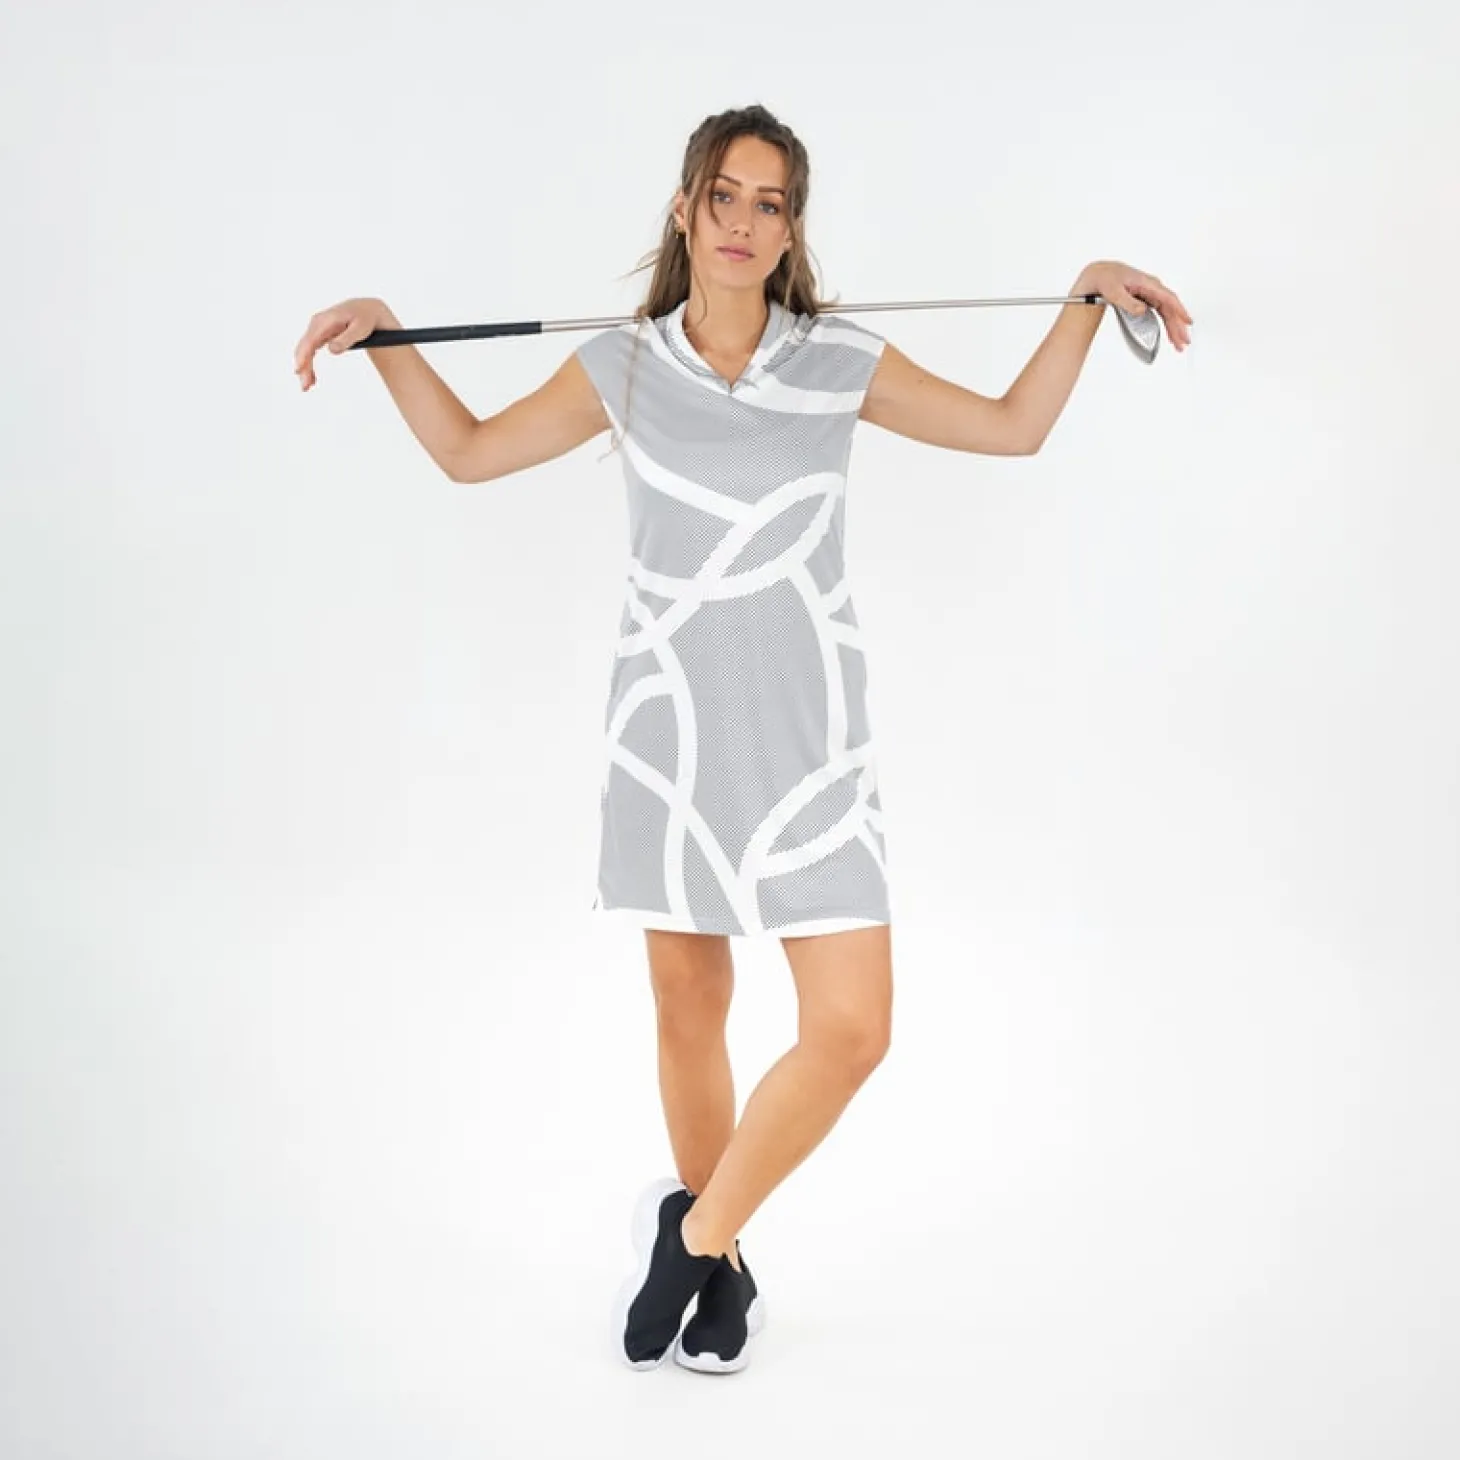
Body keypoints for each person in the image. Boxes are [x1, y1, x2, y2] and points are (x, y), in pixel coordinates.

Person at [292, 103, 1192, 1377]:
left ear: (789, 230)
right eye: (723, 194)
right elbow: (468, 451)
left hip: (809, 747)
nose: (742, 221)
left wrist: (1085, 300)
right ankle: (721, 1273)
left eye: (769, 203)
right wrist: (386, 334)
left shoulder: (836, 362)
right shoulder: (624, 366)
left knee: (852, 1027)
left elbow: (1010, 426)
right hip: (669, 735)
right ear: (684, 209)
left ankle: (695, 1235)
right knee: (690, 1006)